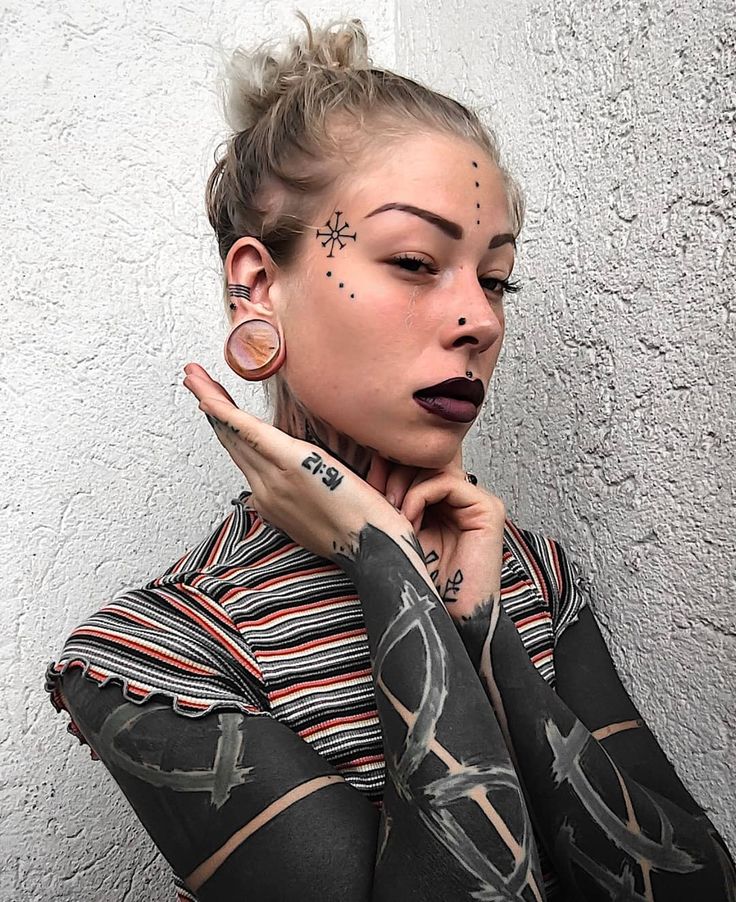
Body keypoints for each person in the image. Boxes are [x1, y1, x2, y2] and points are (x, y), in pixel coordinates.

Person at [46, 12, 735, 902]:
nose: (480, 320)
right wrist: (384, 564)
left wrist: (486, 630)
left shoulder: (530, 578)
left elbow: (699, 889)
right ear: (258, 284)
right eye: (415, 261)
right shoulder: (158, 657)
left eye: (494, 278)